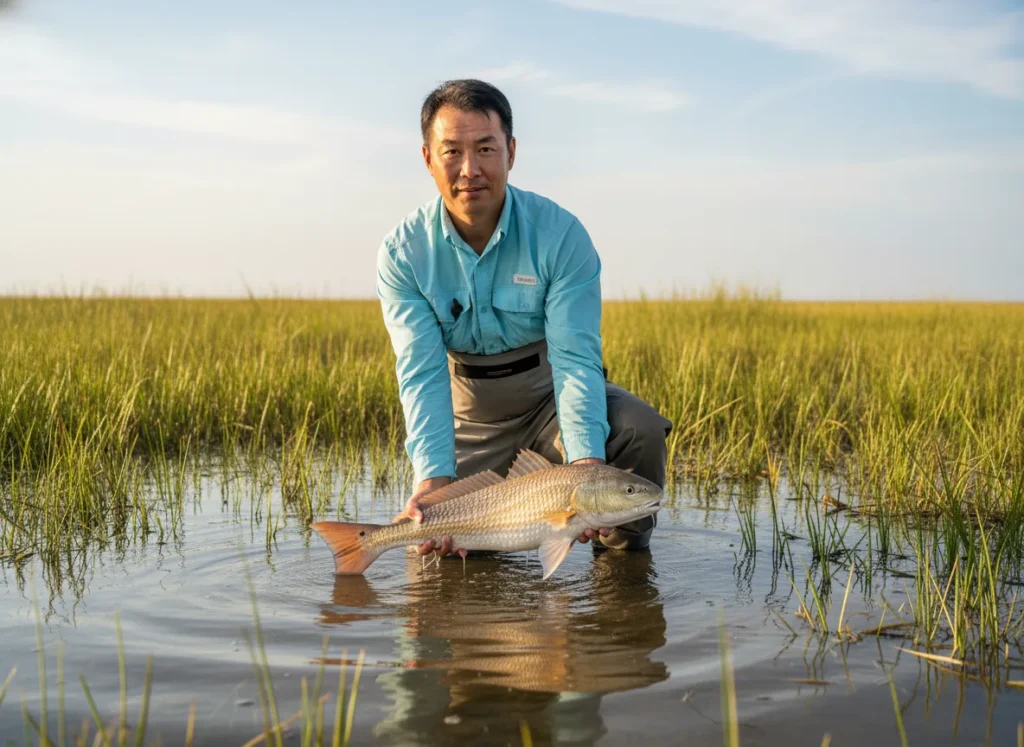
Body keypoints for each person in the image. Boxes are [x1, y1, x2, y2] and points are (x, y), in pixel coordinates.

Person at [375, 78, 672, 558]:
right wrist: (434, 480)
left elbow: (576, 360)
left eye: (486, 148)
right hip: (468, 418)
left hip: (547, 403)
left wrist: (586, 470)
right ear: (428, 159)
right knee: (440, 561)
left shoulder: (560, 236)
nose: (470, 169)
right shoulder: (403, 254)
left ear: (511, 151)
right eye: (452, 151)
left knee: (638, 428)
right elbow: (421, 374)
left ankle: (622, 571)